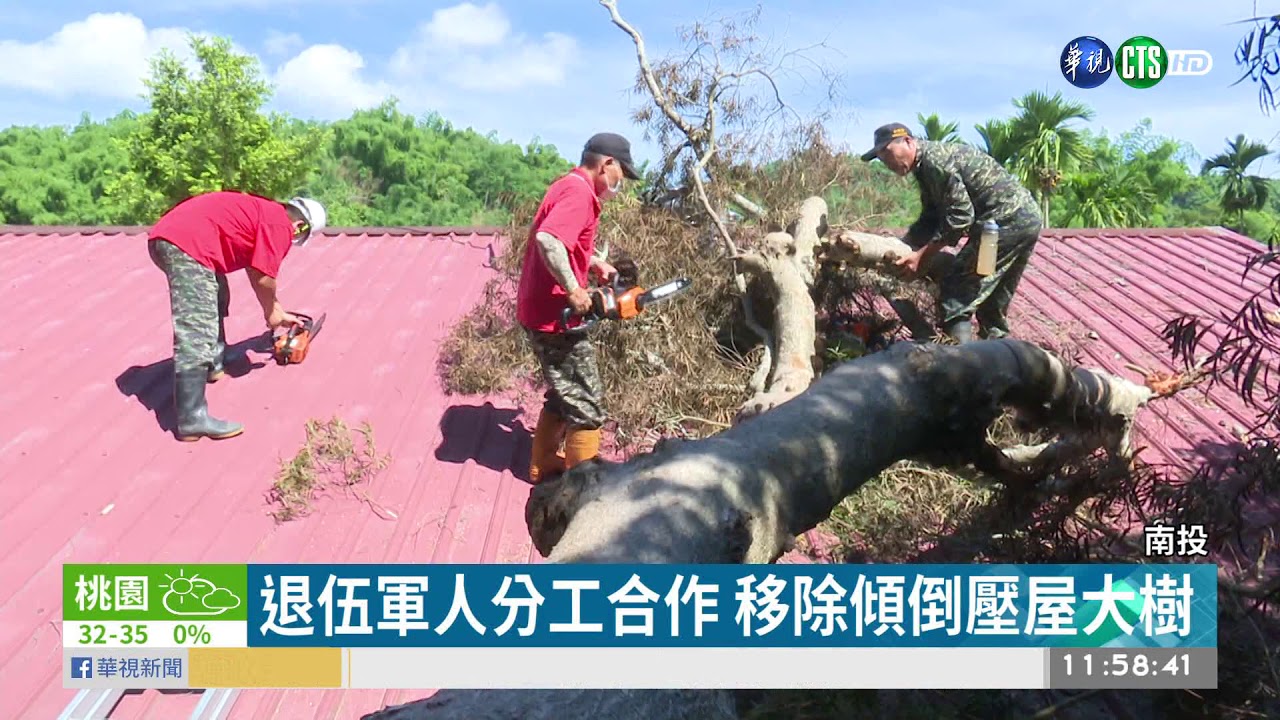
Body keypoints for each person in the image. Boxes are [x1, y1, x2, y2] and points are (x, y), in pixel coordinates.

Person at [148, 191, 327, 441]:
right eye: (299, 235)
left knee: (216, 291)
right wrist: (272, 312)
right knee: (197, 324)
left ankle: (214, 362)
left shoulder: (266, 215)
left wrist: (276, 310)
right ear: (299, 227)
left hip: (173, 238)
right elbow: (265, 277)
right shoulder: (279, 226)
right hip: (184, 244)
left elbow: (257, 269)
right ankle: (192, 418)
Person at [517, 132, 640, 483]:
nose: (621, 183)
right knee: (587, 405)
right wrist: (574, 289)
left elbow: (562, 245)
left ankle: (543, 465)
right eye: (621, 175)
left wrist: (591, 266)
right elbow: (548, 239)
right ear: (607, 164)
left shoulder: (566, 184)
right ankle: (581, 487)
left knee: (563, 391)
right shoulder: (579, 193)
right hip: (555, 317)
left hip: (540, 310)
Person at [860, 122, 1043, 342]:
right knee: (991, 299)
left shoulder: (935, 162)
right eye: (880, 157)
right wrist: (904, 245)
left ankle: (957, 363)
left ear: (908, 141)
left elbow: (960, 217)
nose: (886, 162)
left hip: (1003, 223)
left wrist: (922, 256)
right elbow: (932, 216)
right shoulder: (925, 166)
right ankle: (998, 360)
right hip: (1026, 220)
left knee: (956, 286)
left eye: (887, 152)